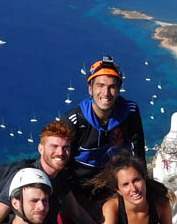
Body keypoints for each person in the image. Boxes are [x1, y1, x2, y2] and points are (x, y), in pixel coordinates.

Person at [0, 119, 91, 224]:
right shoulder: (25, 177)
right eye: (54, 146)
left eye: (65, 148)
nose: (60, 152)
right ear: (41, 149)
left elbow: (75, 210)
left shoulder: (60, 176)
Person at [61, 55, 146, 194]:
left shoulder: (129, 112)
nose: (106, 93)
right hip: (80, 188)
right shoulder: (75, 121)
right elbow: (62, 165)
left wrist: (144, 184)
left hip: (117, 183)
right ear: (90, 88)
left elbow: (138, 151)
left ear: (119, 89)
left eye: (112, 87)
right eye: (100, 85)